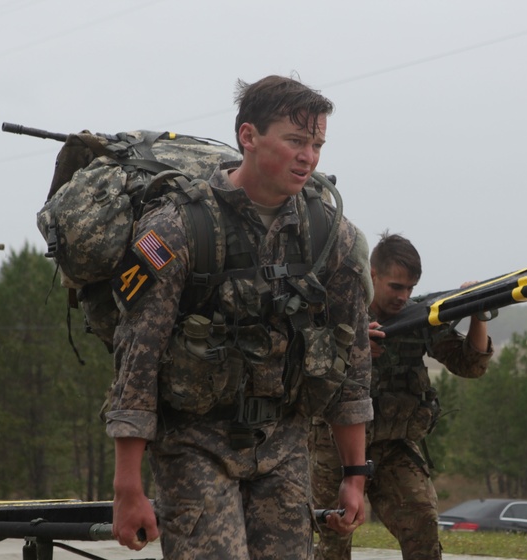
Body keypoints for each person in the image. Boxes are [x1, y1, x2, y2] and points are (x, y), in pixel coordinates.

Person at [106, 75, 373, 559]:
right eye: (295, 140)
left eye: (316, 144)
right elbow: (137, 362)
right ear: (248, 136)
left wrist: (355, 475)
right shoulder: (179, 227)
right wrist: (129, 486)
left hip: (285, 443)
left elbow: (353, 362)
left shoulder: (330, 235)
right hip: (195, 443)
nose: (308, 157)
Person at [311, 232, 493, 560]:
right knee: (333, 538)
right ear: (372, 275)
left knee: (422, 521)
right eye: (396, 287)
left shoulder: (416, 318)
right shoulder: (337, 313)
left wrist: (478, 313)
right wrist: (353, 346)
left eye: (409, 288)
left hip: (393, 444)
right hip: (334, 447)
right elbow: (301, 364)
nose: (403, 296)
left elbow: (470, 365)